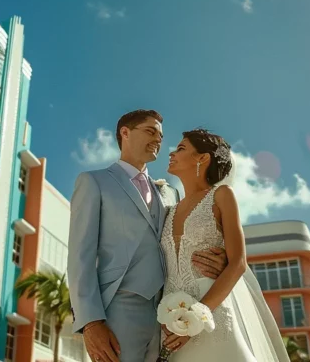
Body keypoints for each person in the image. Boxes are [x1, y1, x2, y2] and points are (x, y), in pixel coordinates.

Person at [67, 110, 230, 362]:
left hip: (168, 314)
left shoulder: (170, 194)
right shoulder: (94, 182)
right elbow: (80, 256)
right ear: (125, 133)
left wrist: (221, 263)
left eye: (161, 136)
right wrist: (90, 322)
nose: (159, 140)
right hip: (117, 309)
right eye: (150, 131)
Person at [158, 129, 289, 361]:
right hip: (171, 321)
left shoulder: (221, 195)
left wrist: (198, 315)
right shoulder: (169, 210)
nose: (171, 153)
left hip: (213, 314)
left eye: (181, 148)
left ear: (202, 158)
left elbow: (237, 263)